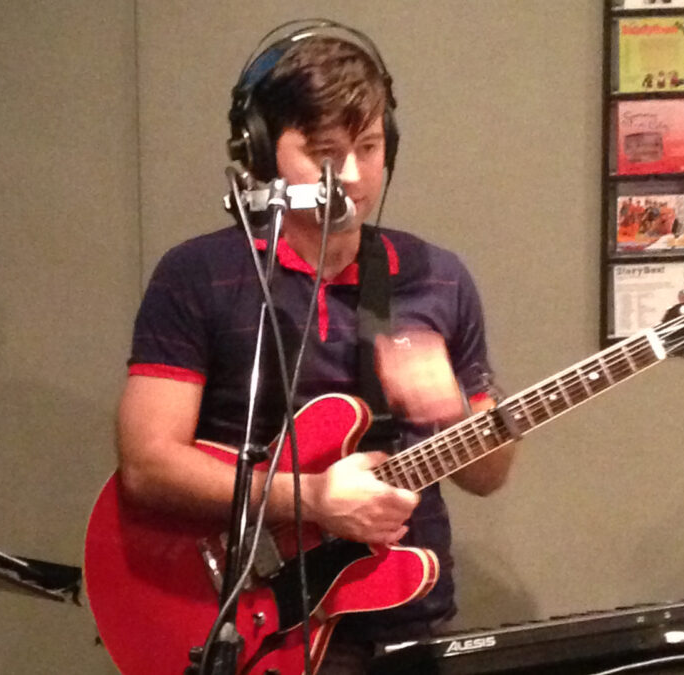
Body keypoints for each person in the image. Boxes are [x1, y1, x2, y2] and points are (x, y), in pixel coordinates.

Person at [114, 19, 516, 674]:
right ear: (263, 150)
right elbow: (147, 466)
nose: (353, 176)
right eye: (325, 153)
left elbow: (487, 474)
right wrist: (312, 500)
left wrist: (455, 412)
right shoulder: (197, 275)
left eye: (370, 146)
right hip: (253, 625)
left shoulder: (435, 276)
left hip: (408, 623)